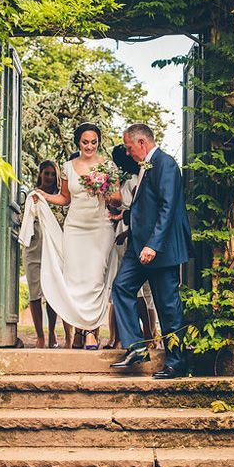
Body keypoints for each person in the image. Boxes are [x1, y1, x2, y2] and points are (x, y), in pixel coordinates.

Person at [109, 123, 193, 379]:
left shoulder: (165, 164)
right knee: (121, 288)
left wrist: (153, 245)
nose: (128, 152)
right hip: (139, 247)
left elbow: (168, 207)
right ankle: (136, 348)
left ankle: (177, 363)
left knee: (167, 306)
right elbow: (148, 206)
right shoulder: (145, 168)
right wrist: (126, 214)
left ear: (142, 143)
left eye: (129, 147)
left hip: (160, 249)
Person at [28, 123, 117, 350]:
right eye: (85, 142)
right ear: (78, 142)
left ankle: (91, 332)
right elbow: (65, 198)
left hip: (100, 227)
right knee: (75, 281)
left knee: (95, 279)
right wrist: (44, 196)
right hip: (75, 228)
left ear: (99, 142)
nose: (89, 146)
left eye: (94, 142)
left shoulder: (108, 165)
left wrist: (104, 189)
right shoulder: (68, 167)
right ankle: (78, 330)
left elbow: (116, 198)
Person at [104, 144, 159, 350]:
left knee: (139, 291)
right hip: (124, 231)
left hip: (137, 235)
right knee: (120, 287)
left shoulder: (140, 179)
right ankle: (120, 338)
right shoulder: (125, 181)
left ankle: (148, 334)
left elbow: (139, 211)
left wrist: (126, 230)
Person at [21, 160, 73, 348]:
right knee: (35, 293)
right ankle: (40, 336)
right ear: (40, 174)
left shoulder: (62, 199)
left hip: (56, 252)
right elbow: (22, 220)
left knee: (53, 292)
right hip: (34, 250)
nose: (49, 177)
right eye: (46, 173)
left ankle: (52, 332)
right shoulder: (30, 195)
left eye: (53, 174)